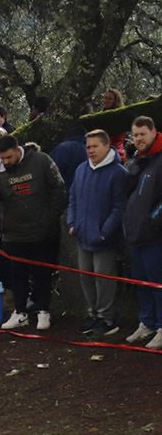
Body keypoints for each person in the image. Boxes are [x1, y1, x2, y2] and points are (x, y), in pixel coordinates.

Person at [0, 134, 67, 331]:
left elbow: (59, 189)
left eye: (9, 157)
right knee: (17, 274)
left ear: (18, 151)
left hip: (43, 230)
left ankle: (44, 311)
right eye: (3, 158)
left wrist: (49, 218)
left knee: (42, 272)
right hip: (13, 232)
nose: (6, 162)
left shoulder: (41, 160)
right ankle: (20, 312)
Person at [66, 130, 127, 337]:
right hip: (82, 236)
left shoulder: (118, 172)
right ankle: (92, 315)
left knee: (104, 280)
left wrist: (104, 232)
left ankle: (106, 319)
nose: (90, 150)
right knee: (86, 278)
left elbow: (119, 207)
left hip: (104, 240)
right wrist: (72, 223)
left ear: (106, 146)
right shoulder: (81, 169)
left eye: (94, 146)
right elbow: (72, 198)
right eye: (88, 146)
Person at [123, 116, 162, 349]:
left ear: (153, 132)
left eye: (142, 134)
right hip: (135, 233)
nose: (138, 139)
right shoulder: (138, 161)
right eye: (135, 135)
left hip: (154, 235)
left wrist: (152, 221)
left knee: (158, 282)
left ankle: (161, 325)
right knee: (141, 282)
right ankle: (146, 322)